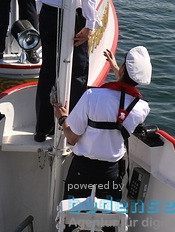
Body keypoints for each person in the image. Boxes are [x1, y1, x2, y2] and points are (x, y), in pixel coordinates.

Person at [33, 0, 116, 141]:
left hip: (49, 13)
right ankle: (75, 129)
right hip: (73, 16)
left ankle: (42, 128)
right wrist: (90, 23)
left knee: (48, 69)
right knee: (78, 71)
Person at [54, 46, 152, 202]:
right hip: (111, 173)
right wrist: (117, 70)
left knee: (72, 216)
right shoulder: (142, 108)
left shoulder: (92, 96)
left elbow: (72, 138)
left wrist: (61, 118)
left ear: (124, 68)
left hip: (82, 169)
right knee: (108, 218)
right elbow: (122, 99)